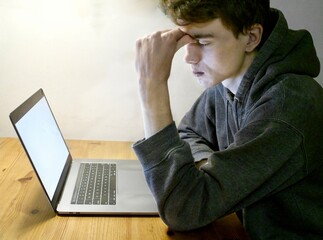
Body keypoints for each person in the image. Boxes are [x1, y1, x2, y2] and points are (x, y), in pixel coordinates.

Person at [133, 0, 323, 239]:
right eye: (188, 40)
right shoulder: (229, 80)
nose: (189, 57)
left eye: (202, 41)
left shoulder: (287, 107)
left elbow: (182, 211)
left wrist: (151, 87)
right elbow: (189, 132)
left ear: (251, 37)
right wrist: (211, 169)